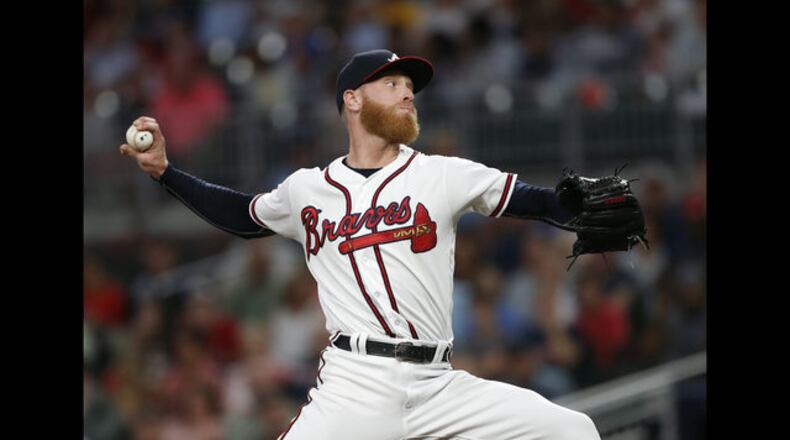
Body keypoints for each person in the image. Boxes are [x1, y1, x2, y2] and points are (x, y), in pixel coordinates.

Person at [121, 49, 601, 439]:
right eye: (392, 84)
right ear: (352, 99)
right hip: (355, 384)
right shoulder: (308, 189)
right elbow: (241, 215)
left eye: (410, 87)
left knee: (572, 431)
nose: (407, 93)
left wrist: (583, 205)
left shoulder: (442, 174)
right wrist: (166, 173)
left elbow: (536, 201)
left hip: (439, 382)